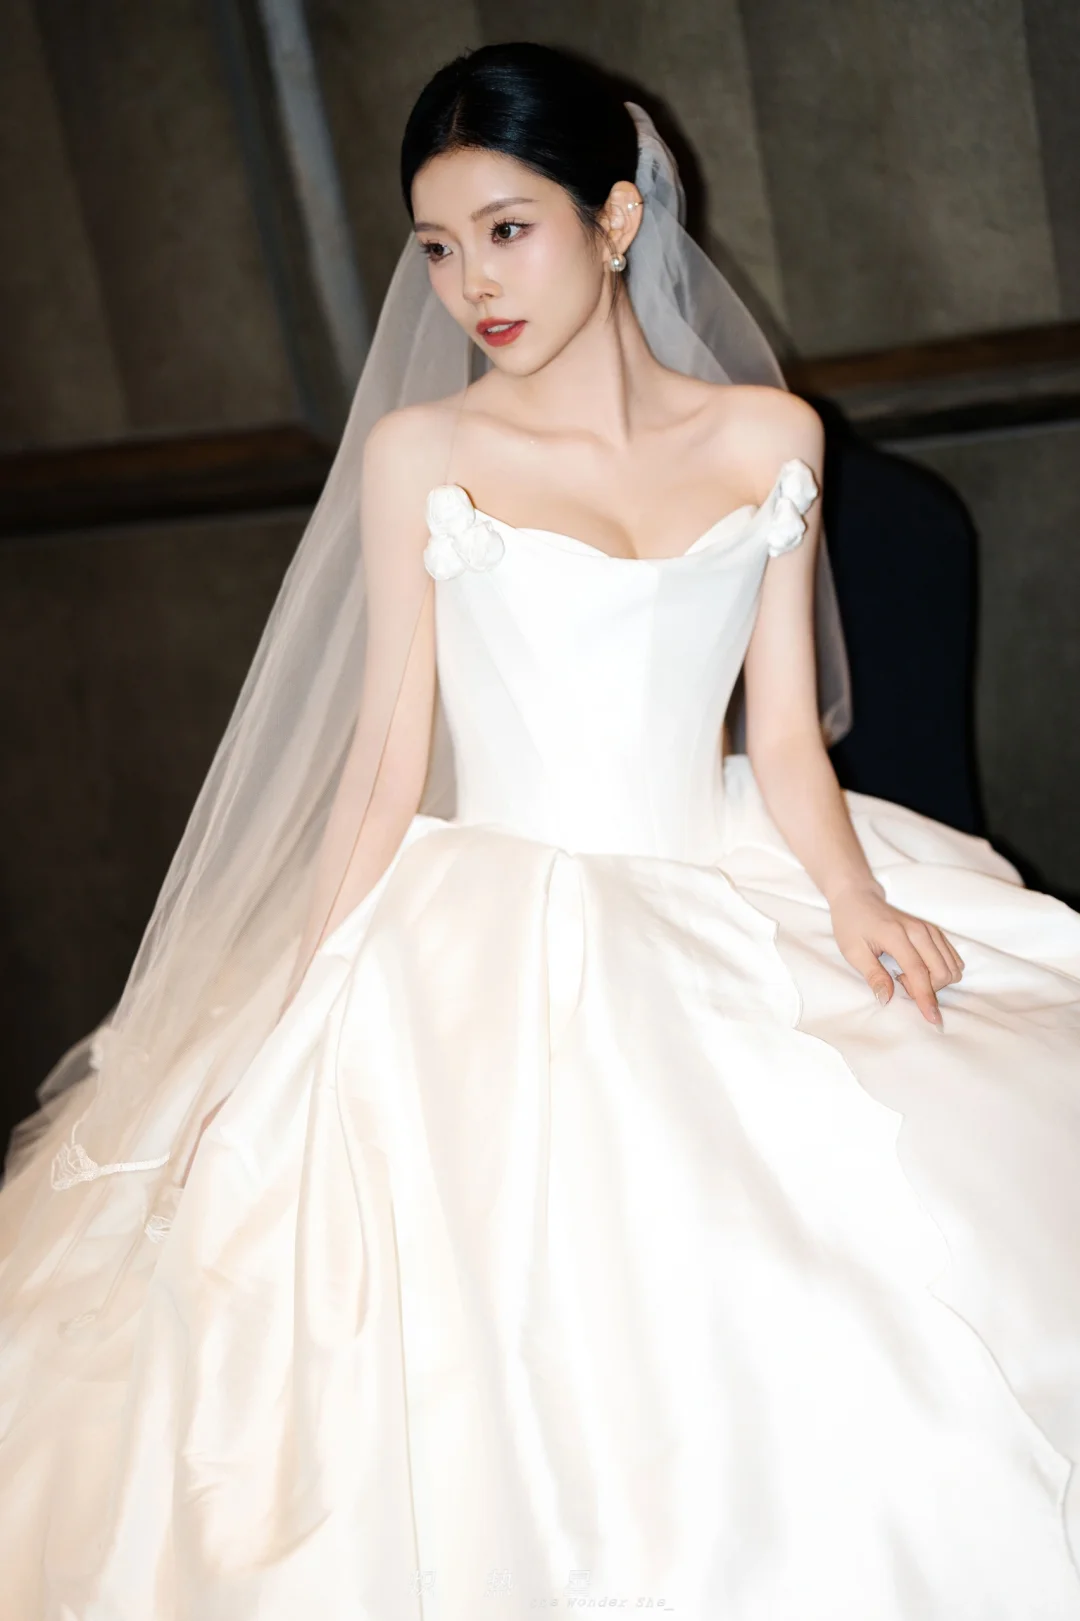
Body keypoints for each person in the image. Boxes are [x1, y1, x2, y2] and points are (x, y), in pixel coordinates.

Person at [1, 38, 1079, 1621]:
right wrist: (296, 1013)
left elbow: (785, 736)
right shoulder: (424, 454)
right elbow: (385, 766)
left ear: (617, 217)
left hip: (717, 864)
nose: (471, 285)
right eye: (439, 248)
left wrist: (855, 899)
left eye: (508, 229)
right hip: (488, 913)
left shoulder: (769, 438)